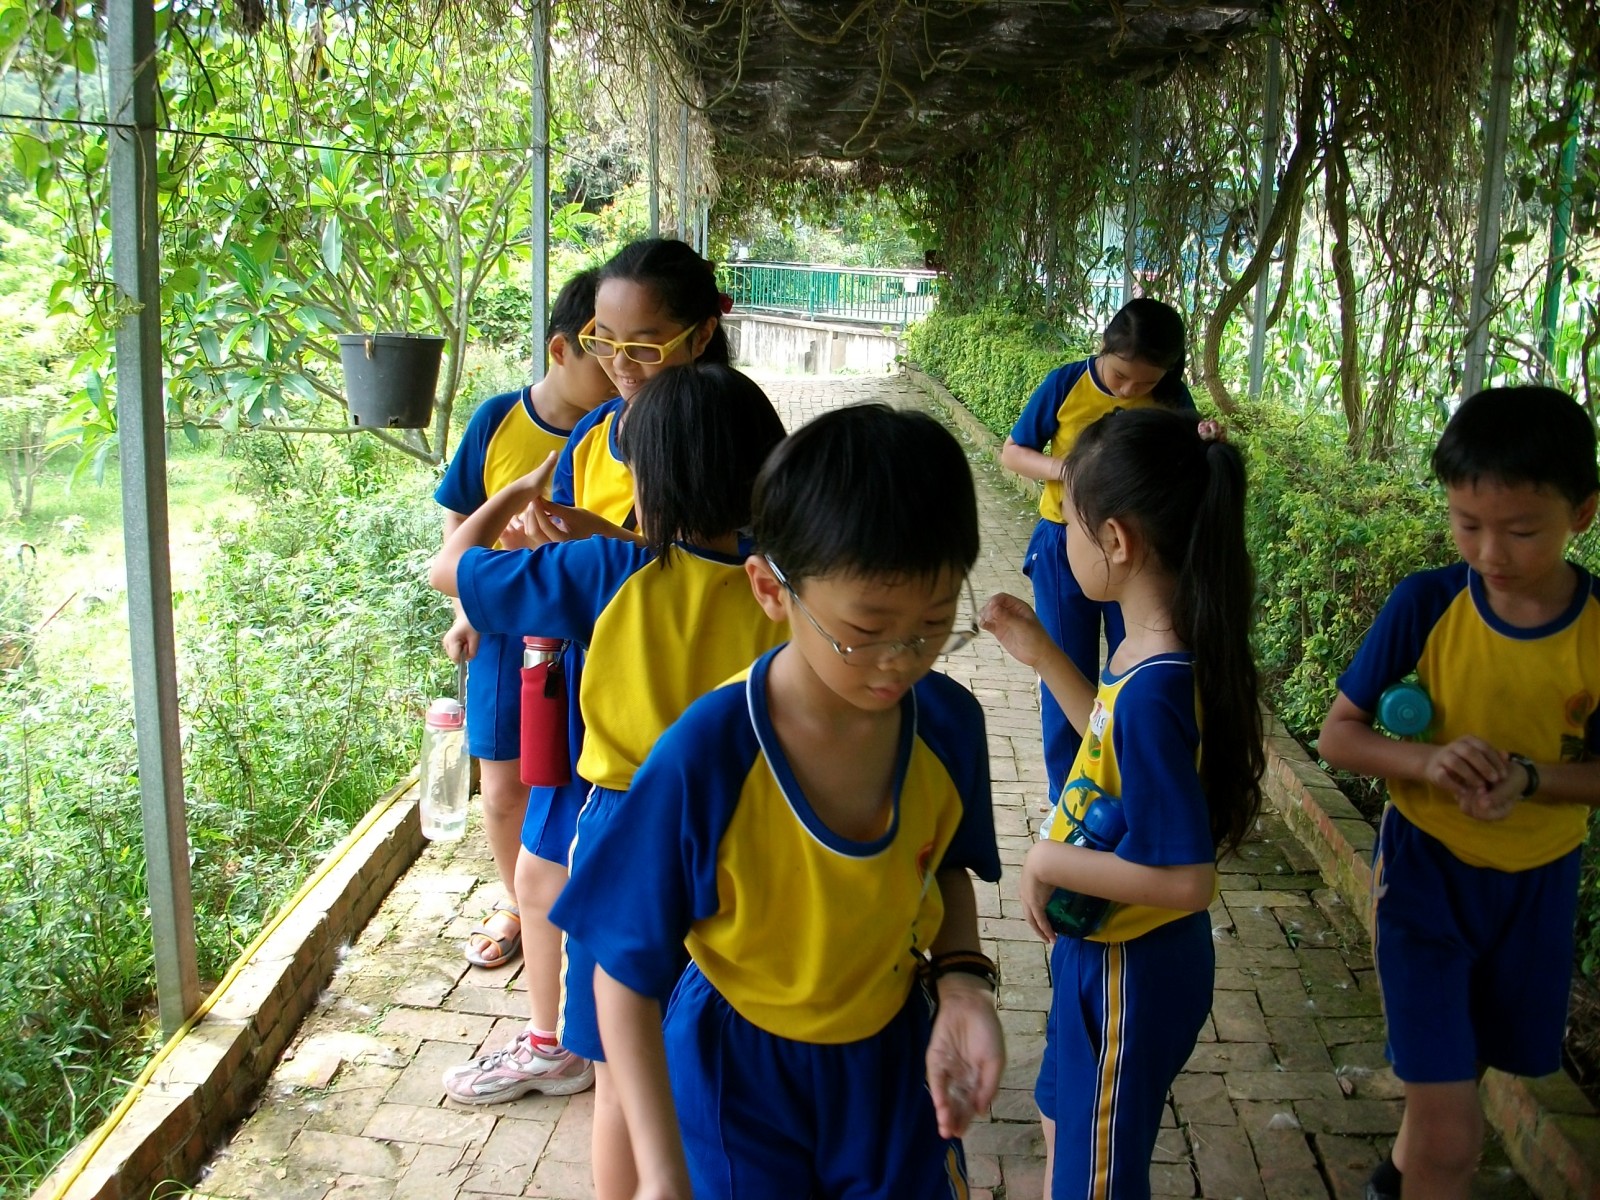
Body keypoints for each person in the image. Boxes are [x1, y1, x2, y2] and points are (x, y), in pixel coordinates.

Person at [553, 404, 1005, 1200]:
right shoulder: (709, 753)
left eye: (935, 625)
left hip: (892, 1061)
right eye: (866, 629)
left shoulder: (946, 725)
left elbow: (945, 869)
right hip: (737, 1075)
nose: (901, 661)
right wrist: (661, 1172)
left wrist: (964, 981)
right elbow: (621, 974)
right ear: (771, 589)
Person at [430, 363, 788, 1200]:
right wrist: (607, 531)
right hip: (750, 827)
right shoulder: (784, 579)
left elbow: (450, 568)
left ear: (648, 482)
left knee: (626, 1073)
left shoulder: (602, 570)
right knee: (719, 1044)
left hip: (625, 835)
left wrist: (512, 496)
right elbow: (701, 558)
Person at [442, 236, 735, 1111]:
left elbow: (730, 553)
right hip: (589, 694)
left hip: (681, 707)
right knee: (545, 874)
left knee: (654, 890)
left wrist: (599, 551)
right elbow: (584, 541)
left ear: (702, 334)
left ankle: (643, 1055)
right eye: (605, 342)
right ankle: (573, 1044)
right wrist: (567, 535)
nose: (619, 364)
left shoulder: (724, 430)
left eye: (644, 345)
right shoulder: (595, 434)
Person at [1317, 385, 1600, 1200]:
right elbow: (1340, 736)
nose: (1490, 553)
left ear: (1582, 514)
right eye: (1466, 524)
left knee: (1460, 1075)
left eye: (1521, 531)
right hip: (1426, 877)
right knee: (1452, 1136)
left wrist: (1531, 778)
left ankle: (1393, 1183)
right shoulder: (1429, 602)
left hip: (1537, 886)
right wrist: (1429, 762)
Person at [982, 407, 1264, 1200]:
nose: (1060, 542)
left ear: (1116, 540)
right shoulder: (1149, 652)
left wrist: (1047, 859)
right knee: (1062, 1125)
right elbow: (1111, 743)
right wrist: (1043, 653)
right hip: (1102, 949)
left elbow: (1186, 880)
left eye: (1068, 524)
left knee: (1097, 1177)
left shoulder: (1158, 685)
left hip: (1130, 966)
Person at [433, 268, 613, 970]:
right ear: (562, 349)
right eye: (606, 353)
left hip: (587, 625)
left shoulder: (621, 430)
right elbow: (459, 518)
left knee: (580, 773)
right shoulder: (498, 418)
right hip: (505, 627)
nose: (621, 370)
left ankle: (574, 895)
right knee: (504, 783)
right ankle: (516, 901)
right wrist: (464, 610)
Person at [998, 298, 1195, 806]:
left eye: (1144, 383)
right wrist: (1068, 471)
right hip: (1066, 544)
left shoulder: (1173, 398)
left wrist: (1207, 441)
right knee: (1063, 667)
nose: (1129, 391)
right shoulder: (1065, 383)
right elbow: (1013, 452)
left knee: (1134, 674)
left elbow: (1192, 465)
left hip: (1140, 558)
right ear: (1103, 347)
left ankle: (1128, 785)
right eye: (1120, 375)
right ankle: (1068, 798)